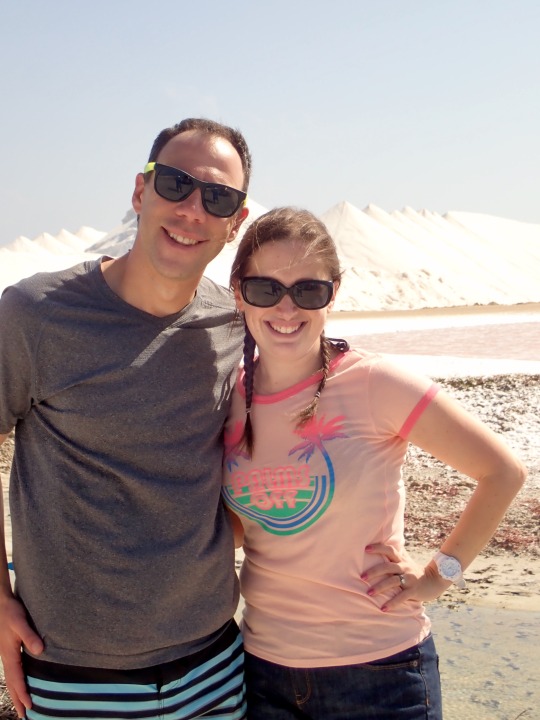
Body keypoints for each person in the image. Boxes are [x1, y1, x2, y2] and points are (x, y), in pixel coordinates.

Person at [221, 206, 526, 719]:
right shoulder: (230, 396)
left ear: (333, 293)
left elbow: (503, 472)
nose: (286, 307)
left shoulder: (375, 383)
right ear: (238, 292)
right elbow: (241, 528)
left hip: (380, 674)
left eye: (308, 290)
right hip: (263, 672)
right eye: (265, 289)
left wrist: (439, 574)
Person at [0, 118, 252, 720]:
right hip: (70, 671)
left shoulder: (234, 323)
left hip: (214, 665)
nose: (192, 209)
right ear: (141, 191)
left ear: (235, 223)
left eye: (217, 198)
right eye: (176, 183)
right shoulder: (36, 312)